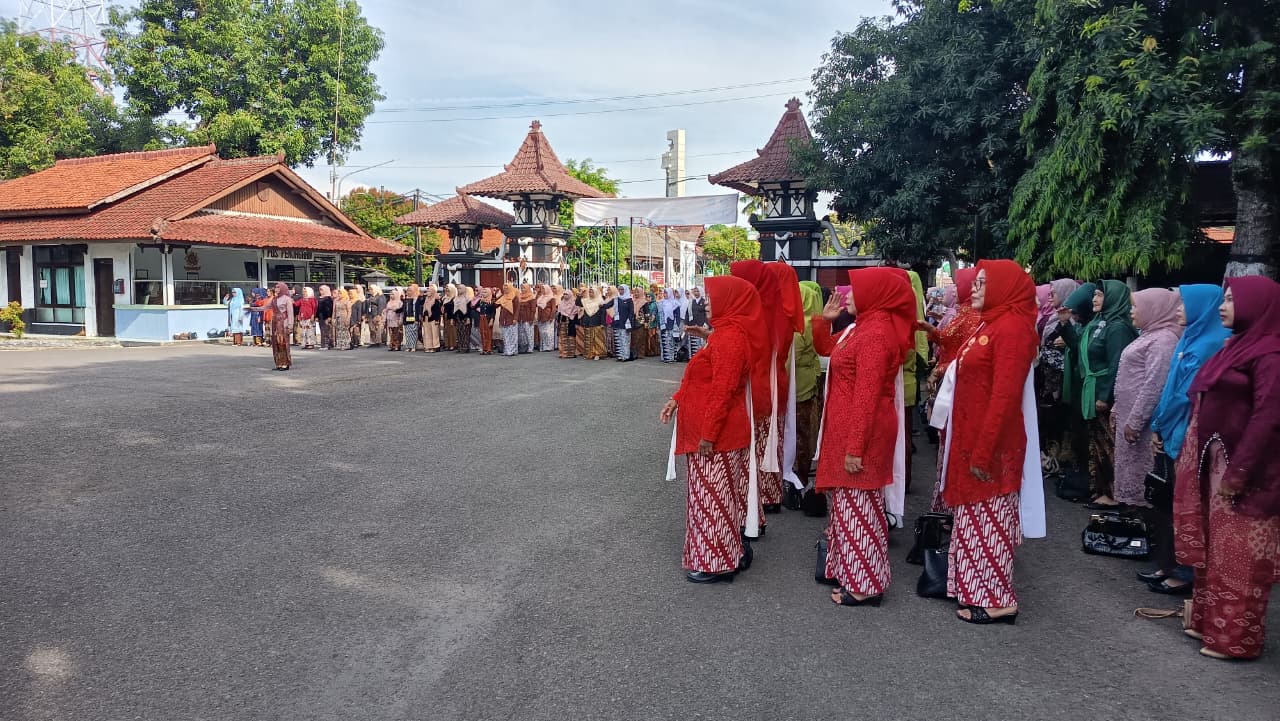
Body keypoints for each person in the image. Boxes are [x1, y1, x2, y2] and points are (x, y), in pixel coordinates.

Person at [1175, 275, 1280, 660]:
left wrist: (1239, 474)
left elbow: (1269, 417)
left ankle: (1236, 640)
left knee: (1240, 557)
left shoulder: (1270, 355)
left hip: (1248, 474)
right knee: (1215, 548)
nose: (1223, 305)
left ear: (1257, 305)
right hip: (1216, 461)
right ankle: (1209, 625)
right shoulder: (1237, 346)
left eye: (1233, 299)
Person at [942, 260, 1041, 624]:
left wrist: (984, 451)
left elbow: (1004, 397)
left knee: (990, 522)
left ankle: (999, 599)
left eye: (984, 283)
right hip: (972, 436)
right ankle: (974, 589)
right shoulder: (993, 324)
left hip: (993, 445)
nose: (977, 289)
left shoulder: (1012, 329)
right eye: (977, 282)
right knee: (973, 519)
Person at [813, 267, 916, 606]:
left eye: (855, 291)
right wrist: (823, 320)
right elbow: (830, 351)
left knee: (860, 509)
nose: (847, 297)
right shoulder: (863, 328)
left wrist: (855, 447)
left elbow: (867, 396)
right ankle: (855, 574)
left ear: (875, 295)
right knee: (852, 507)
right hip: (849, 428)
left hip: (861, 433)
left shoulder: (874, 334)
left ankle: (865, 584)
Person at [659, 275, 765, 583]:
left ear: (729, 302)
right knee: (714, 498)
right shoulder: (724, 334)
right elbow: (702, 378)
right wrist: (678, 400)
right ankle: (725, 553)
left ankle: (718, 562)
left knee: (713, 501)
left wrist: (708, 434)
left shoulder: (731, 338)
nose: (705, 300)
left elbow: (722, 391)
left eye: (711, 296)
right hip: (714, 433)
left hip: (717, 437)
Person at [1144, 285, 1231, 592]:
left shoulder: (1210, 343)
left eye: (1184, 304)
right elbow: (1171, 387)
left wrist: (1161, 423)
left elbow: (1184, 395)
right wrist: (1157, 424)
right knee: (1168, 501)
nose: (1178, 309)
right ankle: (1167, 563)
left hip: (1187, 432)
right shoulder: (1192, 337)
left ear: (1201, 308)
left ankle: (1183, 573)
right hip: (1171, 429)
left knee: (1186, 503)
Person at [1112, 288, 1183, 512]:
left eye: (1136, 306)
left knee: (1140, 474)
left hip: (1141, 423)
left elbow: (1154, 385)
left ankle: (1141, 525)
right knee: (1128, 468)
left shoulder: (1163, 341)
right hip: (1129, 416)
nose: (1132, 311)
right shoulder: (1149, 334)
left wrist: (1135, 420)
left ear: (1154, 309)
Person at [1080, 280, 1138, 509]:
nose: (1094, 299)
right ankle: (1100, 491)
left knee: (1109, 446)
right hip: (1094, 388)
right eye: (1094, 294)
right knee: (1097, 444)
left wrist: (1105, 396)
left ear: (1113, 298)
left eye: (1100, 295)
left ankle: (1114, 495)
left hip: (1107, 394)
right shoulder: (1101, 322)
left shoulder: (1118, 328)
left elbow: (1117, 364)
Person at [793, 281, 824, 489]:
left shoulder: (802, 326)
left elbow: (790, 357)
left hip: (799, 385)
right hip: (805, 381)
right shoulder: (812, 322)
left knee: (799, 434)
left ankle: (798, 478)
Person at [268, 282, 295, 371]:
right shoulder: (274, 299)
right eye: (276, 287)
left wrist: (290, 325)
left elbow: (290, 313)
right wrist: (252, 309)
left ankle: (285, 363)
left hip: (283, 323)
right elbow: (266, 307)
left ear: (283, 288)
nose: (276, 289)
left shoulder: (287, 299)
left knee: (282, 343)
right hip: (275, 323)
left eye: (278, 287)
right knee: (276, 343)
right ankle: (278, 363)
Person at [578, 286, 606, 360]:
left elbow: (603, 313)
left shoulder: (600, 301)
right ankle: (589, 354)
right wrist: (580, 294)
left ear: (596, 293)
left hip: (597, 322)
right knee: (588, 338)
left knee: (597, 339)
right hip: (588, 322)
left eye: (592, 292)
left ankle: (598, 354)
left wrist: (603, 323)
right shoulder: (586, 301)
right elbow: (577, 303)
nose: (590, 294)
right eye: (589, 292)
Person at [612, 284, 636, 362]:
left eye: (622, 289)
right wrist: (602, 305)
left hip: (626, 323)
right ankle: (620, 356)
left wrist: (629, 321)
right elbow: (609, 304)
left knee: (625, 340)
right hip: (617, 322)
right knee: (618, 339)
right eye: (619, 289)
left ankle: (626, 356)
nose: (620, 291)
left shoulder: (629, 300)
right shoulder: (617, 299)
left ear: (625, 290)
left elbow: (631, 312)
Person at [684, 286, 709, 358]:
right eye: (695, 291)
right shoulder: (692, 302)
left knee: (701, 344)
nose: (696, 293)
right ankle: (692, 358)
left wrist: (706, 324)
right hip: (692, 325)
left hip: (701, 325)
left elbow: (707, 314)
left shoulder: (704, 301)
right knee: (693, 344)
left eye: (697, 291)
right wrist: (686, 324)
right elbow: (687, 313)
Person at [496, 282, 520, 357]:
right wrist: (500, 320)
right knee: (505, 336)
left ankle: (512, 351)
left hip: (511, 319)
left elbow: (517, 309)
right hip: (504, 319)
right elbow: (498, 306)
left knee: (512, 336)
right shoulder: (503, 297)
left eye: (507, 288)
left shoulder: (514, 297)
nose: (505, 289)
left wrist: (515, 318)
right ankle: (507, 350)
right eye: (504, 288)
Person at [659, 289, 681, 363]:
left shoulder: (675, 304)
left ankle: (671, 358)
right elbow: (660, 315)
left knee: (671, 342)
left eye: (666, 293)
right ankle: (665, 357)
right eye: (664, 293)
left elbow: (677, 317)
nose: (665, 295)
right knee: (665, 341)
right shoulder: (661, 303)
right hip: (663, 326)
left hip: (672, 325)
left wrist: (676, 326)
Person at [557, 289, 580, 358]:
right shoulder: (561, 303)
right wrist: (558, 322)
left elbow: (575, 314)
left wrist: (576, 323)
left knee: (571, 337)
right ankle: (563, 352)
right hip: (563, 322)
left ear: (570, 295)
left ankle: (571, 353)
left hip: (571, 322)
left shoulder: (574, 303)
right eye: (564, 294)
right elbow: (559, 313)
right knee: (563, 337)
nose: (565, 296)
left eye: (566, 294)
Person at [516, 283, 537, 353]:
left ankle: (530, 348)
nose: (522, 289)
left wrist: (531, 319)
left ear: (528, 288)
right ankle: (523, 348)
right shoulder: (520, 297)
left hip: (528, 318)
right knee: (522, 334)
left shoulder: (532, 297)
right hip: (520, 318)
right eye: (521, 288)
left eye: (524, 288)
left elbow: (533, 309)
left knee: (529, 333)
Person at [401, 284, 423, 352]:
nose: (408, 292)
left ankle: (413, 346)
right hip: (407, 317)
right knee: (407, 333)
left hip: (414, 317)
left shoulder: (417, 299)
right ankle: (408, 346)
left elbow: (419, 309)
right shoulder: (406, 300)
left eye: (410, 290)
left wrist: (418, 318)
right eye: (408, 290)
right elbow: (403, 309)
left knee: (413, 332)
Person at [474, 286, 495, 355]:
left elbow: (493, 312)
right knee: (482, 333)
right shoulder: (481, 301)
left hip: (488, 319)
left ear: (489, 293)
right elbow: (473, 306)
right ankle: (484, 348)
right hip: (481, 318)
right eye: (483, 292)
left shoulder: (491, 301)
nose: (483, 293)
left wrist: (492, 320)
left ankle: (489, 349)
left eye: (485, 292)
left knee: (488, 334)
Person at [536, 284, 557, 352]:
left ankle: (549, 347)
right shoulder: (540, 298)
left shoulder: (551, 298)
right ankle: (543, 346)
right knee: (542, 332)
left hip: (548, 317)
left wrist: (551, 317)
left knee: (548, 332)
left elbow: (553, 309)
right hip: (541, 317)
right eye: (542, 289)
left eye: (544, 289)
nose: (542, 290)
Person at [422, 284, 442, 352]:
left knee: (434, 333)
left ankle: (435, 346)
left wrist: (437, 320)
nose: (428, 293)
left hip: (433, 318)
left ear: (433, 292)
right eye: (427, 291)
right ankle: (428, 346)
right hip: (426, 318)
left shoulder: (436, 300)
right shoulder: (426, 300)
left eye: (430, 291)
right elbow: (424, 309)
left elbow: (437, 311)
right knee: (427, 333)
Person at [454, 285, 473, 353]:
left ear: (464, 290)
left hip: (465, 317)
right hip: (458, 317)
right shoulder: (456, 298)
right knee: (459, 332)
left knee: (465, 333)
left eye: (460, 288)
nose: (458, 289)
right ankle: (460, 347)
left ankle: (465, 347)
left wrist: (468, 318)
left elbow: (469, 309)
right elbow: (455, 309)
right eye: (458, 288)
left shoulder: (468, 298)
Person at [316, 285, 334, 350]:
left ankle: (327, 344)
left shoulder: (328, 298)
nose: (321, 291)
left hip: (326, 317)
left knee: (327, 331)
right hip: (321, 316)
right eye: (320, 290)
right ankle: (322, 345)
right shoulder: (319, 298)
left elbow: (330, 308)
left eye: (322, 290)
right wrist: (317, 316)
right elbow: (317, 308)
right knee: (322, 331)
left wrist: (329, 316)